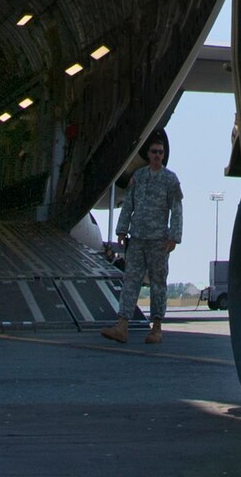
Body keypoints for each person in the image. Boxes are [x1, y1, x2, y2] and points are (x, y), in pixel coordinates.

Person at [102, 134, 182, 347]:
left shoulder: (170, 180)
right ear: (148, 154)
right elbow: (128, 204)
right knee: (130, 281)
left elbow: (177, 210)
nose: (157, 156)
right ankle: (122, 326)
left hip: (158, 241)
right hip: (137, 239)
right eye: (154, 152)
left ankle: (156, 328)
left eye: (161, 153)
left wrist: (174, 237)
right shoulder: (138, 177)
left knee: (158, 284)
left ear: (164, 156)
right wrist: (121, 230)